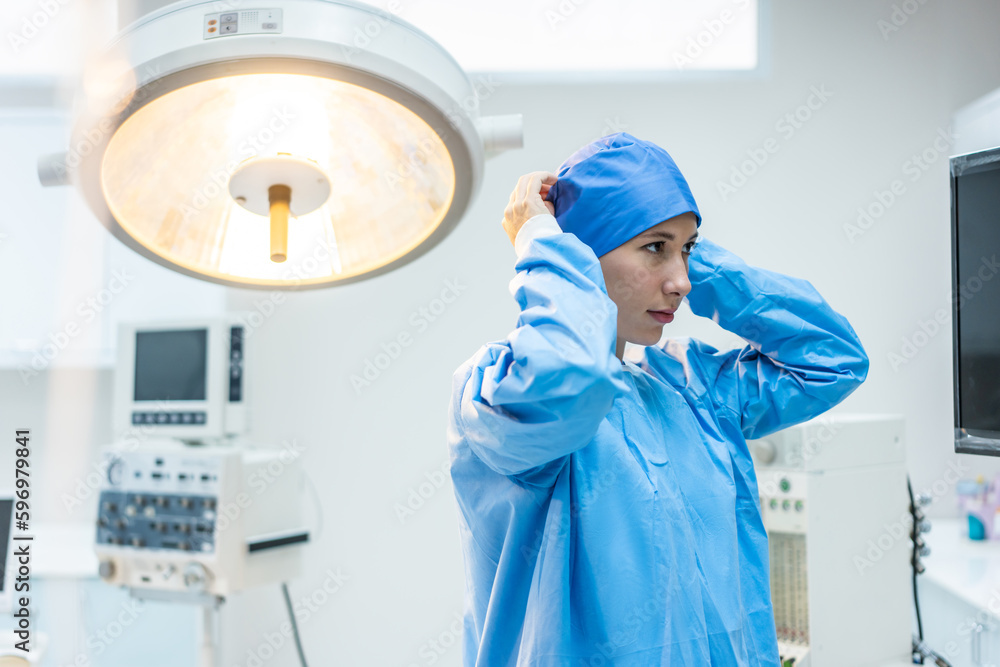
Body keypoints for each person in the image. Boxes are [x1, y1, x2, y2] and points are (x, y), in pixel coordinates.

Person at [445, 133, 869, 666]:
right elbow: (570, 375)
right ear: (580, 257)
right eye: (653, 247)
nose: (682, 282)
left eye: (686, 252)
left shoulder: (690, 387)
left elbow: (832, 359)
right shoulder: (497, 394)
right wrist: (542, 240)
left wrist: (687, 255)